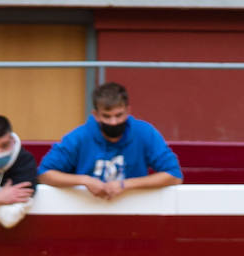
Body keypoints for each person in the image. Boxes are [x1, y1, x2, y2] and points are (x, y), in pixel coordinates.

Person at [37, 81, 182, 200]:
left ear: (128, 111)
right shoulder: (79, 136)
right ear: (96, 115)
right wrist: (85, 180)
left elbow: (174, 176)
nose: (113, 122)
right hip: (85, 212)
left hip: (135, 210)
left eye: (119, 115)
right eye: (107, 116)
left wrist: (126, 184)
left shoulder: (145, 132)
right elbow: (44, 174)